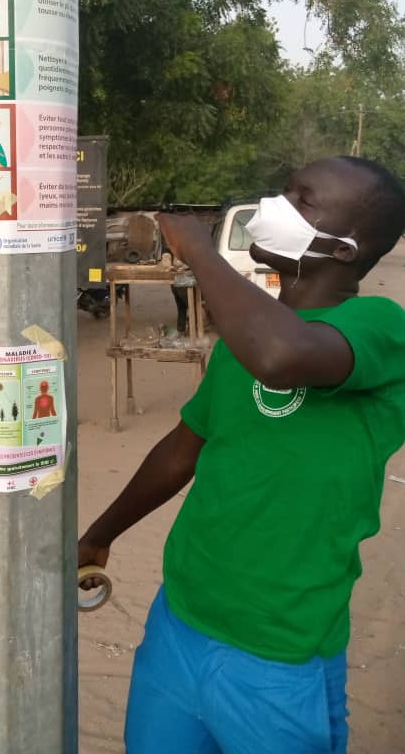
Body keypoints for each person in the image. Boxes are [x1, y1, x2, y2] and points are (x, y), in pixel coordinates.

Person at [78, 156, 405, 754]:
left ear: (345, 250)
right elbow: (182, 452)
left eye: (302, 201)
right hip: (180, 622)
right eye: (283, 191)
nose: (273, 209)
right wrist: (101, 533)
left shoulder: (379, 326)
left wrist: (200, 252)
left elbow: (283, 356)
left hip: (279, 657)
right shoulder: (249, 333)